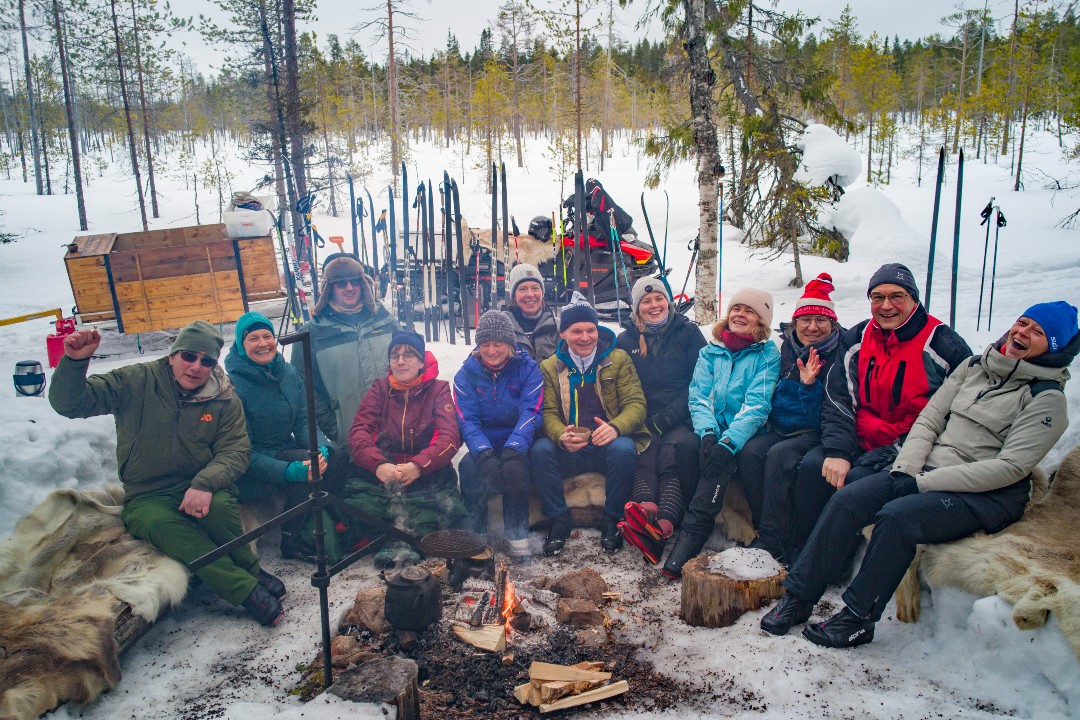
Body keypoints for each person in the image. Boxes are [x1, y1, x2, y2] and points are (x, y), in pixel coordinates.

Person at [761, 301, 1079, 647]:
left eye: (1038, 333)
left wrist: (922, 482)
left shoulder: (1046, 400)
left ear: (1055, 348)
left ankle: (858, 618)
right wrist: (906, 469)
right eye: (1023, 322)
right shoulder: (975, 367)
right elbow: (929, 420)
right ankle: (799, 597)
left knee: (898, 517)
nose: (1023, 333)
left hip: (985, 495)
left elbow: (1009, 469)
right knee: (849, 498)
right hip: (925, 470)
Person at [49, 321, 285, 626]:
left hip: (200, 483)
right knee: (169, 529)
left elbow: (236, 451)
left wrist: (204, 484)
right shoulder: (136, 380)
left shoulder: (224, 396)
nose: (196, 366)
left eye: (207, 360)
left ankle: (250, 568)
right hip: (148, 494)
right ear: (173, 355)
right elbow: (70, 403)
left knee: (221, 509)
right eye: (189, 356)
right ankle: (245, 590)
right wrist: (75, 362)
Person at [790, 263, 971, 552]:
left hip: (906, 446)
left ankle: (835, 559)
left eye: (896, 296)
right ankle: (798, 550)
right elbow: (839, 398)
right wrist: (838, 450)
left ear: (914, 299)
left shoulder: (942, 343)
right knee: (813, 467)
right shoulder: (859, 338)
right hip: (859, 437)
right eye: (877, 297)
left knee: (856, 482)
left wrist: (904, 449)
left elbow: (960, 406)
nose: (886, 306)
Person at [661, 289, 781, 579]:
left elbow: (757, 404)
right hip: (714, 427)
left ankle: (694, 530)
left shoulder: (767, 355)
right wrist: (709, 433)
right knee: (688, 445)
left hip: (750, 431)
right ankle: (696, 519)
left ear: (761, 321)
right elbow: (698, 397)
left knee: (722, 458)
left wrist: (728, 442)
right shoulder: (711, 351)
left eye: (749, 311)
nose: (740, 314)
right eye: (736, 308)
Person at [740, 274, 856, 565]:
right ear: (794, 324)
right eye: (806, 320)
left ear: (833, 324)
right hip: (783, 428)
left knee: (779, 455)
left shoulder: (839, 355)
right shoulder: (787, 349)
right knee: (751, 452)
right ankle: (764, 527)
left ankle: (774, 538)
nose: (813, 327)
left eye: (821, 321)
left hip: (815, 431)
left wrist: (807, 388)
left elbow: (829, 410)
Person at [529, 292, 648, 555]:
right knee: (540, 451)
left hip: (605, 444)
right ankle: (558, 519)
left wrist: (615, 427)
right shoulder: (550, 366)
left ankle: (612, 520)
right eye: (576, 331)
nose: (585, 337)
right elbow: (547, 412)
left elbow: (636, 405)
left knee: (624, 448)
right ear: (563, 334)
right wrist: (561, 434)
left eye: (590, 330)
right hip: (570, 448)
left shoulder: (617, 359)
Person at [345, 330, 468, 567]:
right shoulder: (380, 389)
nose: (401, 361)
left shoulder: (438, 390)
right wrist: (379, 464)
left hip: (425, 471)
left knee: (434, 508)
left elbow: (449, 437)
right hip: (386, 468)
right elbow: (359, 431)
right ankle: (390, 539)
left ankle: (409, 540)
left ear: (422, 361)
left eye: (409, 355)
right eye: (395, 356)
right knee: (364, 504)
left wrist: (418, 466)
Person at [614, 277, 707, 563]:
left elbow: (700, 383)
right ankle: (645, 518)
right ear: (637, 308)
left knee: (671, 454)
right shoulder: (626, 339)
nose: (654, 305)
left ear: (668, 301)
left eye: (658, 299)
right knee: (643, 451)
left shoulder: (688, 333)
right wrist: (640, 418)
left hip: (683, 414)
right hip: (643, 414)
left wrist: (668, 417)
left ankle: (664, 525)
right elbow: (623, 385)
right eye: (646, 301)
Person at [224, 311, 330, 561]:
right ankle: (292, 541)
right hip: (253, 467)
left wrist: (321, 447)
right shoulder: (233, 387)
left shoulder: (288, 373)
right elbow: (244, 453)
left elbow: (304, 420)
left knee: (334, 459)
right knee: (307, 470)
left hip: (283, 449)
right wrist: (290, 470)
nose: (262, 343)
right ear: (241, 344)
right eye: (253, 338)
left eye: (267, 336)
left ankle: (322, 529)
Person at [453, 310, 544, 559]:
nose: (492, 351)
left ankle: (517, 534)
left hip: (517, 437)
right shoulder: (465, 375)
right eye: (485, 344)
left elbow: (531, 411)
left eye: (498, 344)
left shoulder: (527, 369)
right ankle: (477, 535)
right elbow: (467, 420)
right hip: (484, 440)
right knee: (469, 467)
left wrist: (514, 448)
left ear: (510, 344)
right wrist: (483, 453)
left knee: (517, 470)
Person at [291, 255, 399, 446]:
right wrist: (334, 427)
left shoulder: (385, 320)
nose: (349, 288)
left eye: (355, 281)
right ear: (329, 288)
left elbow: (414, 363)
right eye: (341, 283)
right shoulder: (312, 332)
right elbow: (303, 388)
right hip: (350, 441)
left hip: (396, 434)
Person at [504, 263, 559, 361]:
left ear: (542, 293)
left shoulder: (557, 325)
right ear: (514, 296)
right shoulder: (502, 326)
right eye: (523, 289)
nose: (530, 294)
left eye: (535, 288)